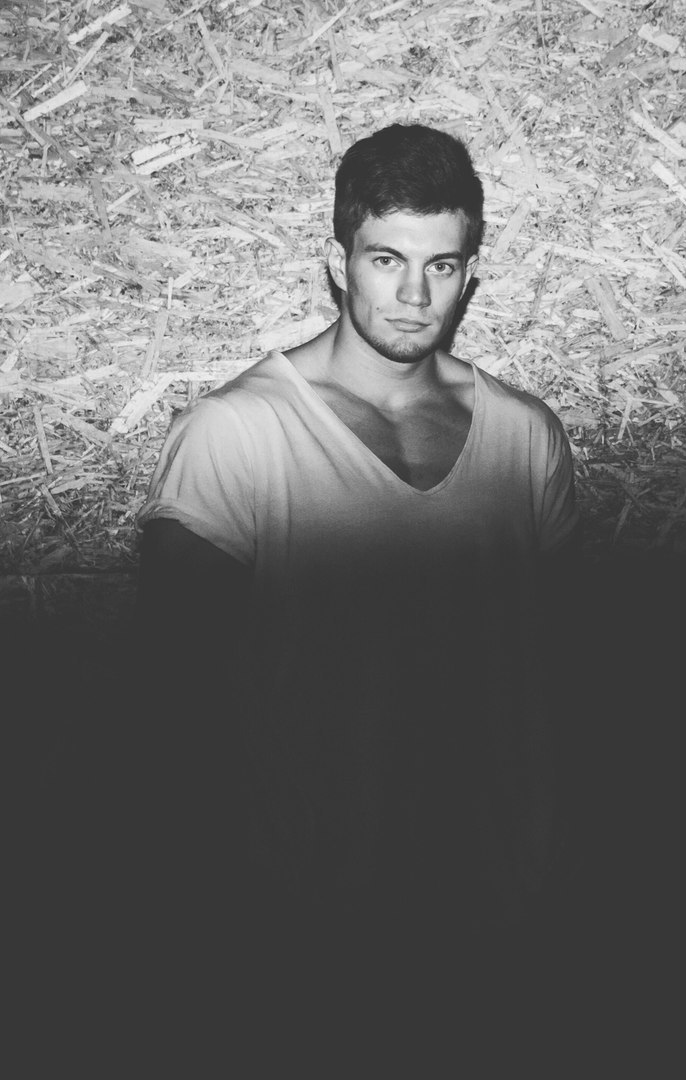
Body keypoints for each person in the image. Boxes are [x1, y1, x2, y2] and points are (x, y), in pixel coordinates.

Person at [134, 124, 579, 963]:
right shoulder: (236, 433)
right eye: (386, 259)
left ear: (469, 275)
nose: (413, 294)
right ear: (338, 262)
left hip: (498, 896)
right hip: (301, 906)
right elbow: (172, 694)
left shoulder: (526, 436)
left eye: (440, 265)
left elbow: (561, 662)